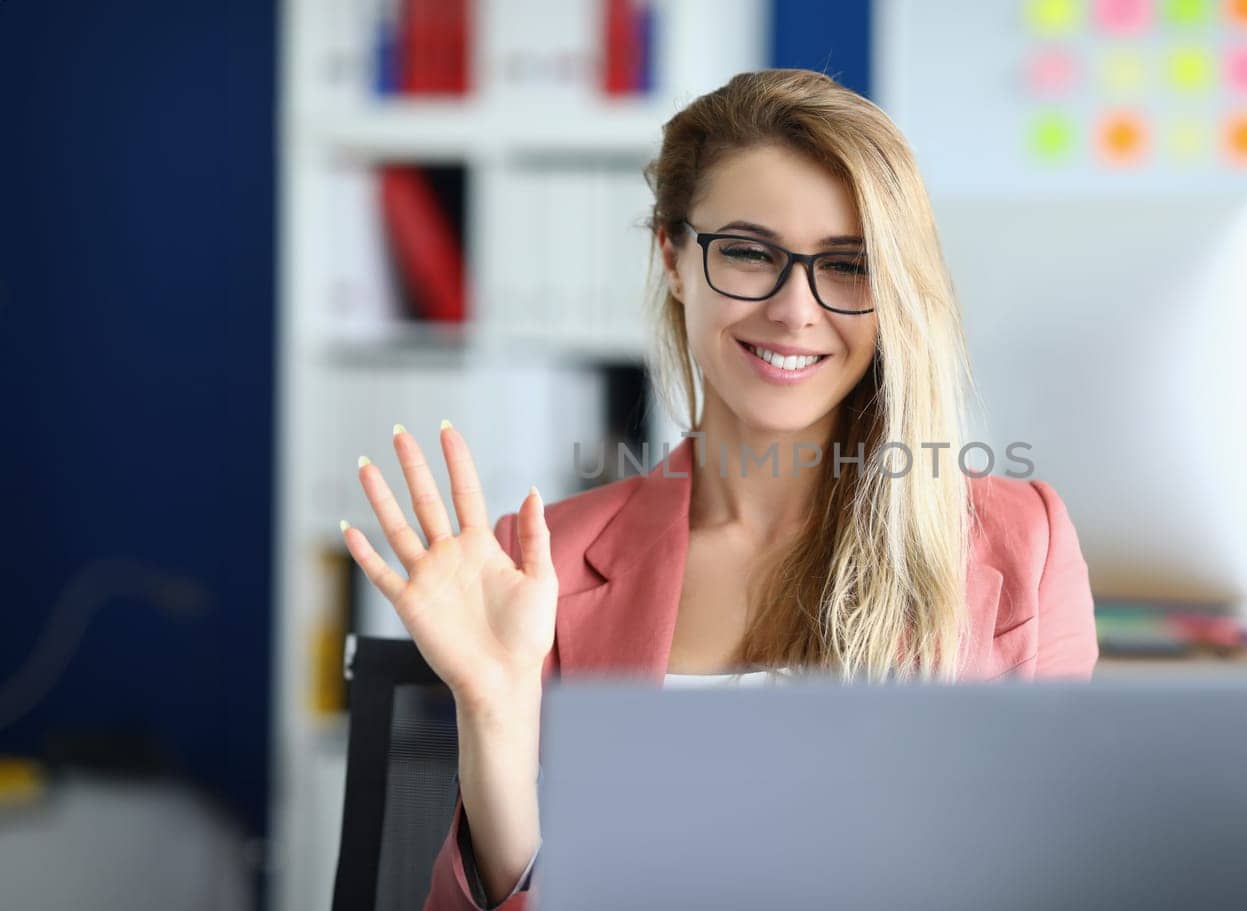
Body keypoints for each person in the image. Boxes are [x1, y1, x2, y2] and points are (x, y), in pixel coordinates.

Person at [339, 68, 1098, 911]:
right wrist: (494, 711)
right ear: (672, 255)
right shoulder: (544, 565)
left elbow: (1055, 877)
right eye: (747, 252)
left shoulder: (1020, 545)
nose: (794, 310)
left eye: (848, 266)